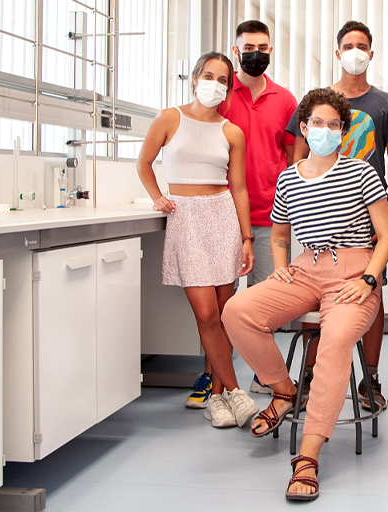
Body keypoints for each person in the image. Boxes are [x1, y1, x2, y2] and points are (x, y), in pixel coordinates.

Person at [222, 88, 388, 501]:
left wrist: (370, 279)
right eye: (317, 123)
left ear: (342, 131)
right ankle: (284, 391)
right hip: (305, 268)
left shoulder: (361, 173)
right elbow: (280, 234)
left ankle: (308, 455)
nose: (325, 130)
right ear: (303, 127)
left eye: (334, 124)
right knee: (237, 311)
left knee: (334, 342)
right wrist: (281, 266)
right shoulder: (289, 177)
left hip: (353, 270)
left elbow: (386, 234)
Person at [285, 20, 388, 410]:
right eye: (348, 46)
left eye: (362, 46)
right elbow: (297, 156)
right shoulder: (316, 99)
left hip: (367, 215)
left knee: (373, 289)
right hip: (318, 212)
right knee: (314, 288)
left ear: (371, 54)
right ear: (337, 53)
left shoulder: (384, 103)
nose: (355, 52)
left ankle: (368, 378)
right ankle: (309, 372)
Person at [136, 52, 259, 428]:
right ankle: (236, 392)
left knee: (226, 315)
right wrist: (157, 195)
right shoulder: (169, 118)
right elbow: (143, 162)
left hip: (221, 216)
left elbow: (238, 187)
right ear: (194, 78)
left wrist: (247, 238)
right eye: (209, 76)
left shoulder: (231, 132)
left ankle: (218, 398)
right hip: (185, 218)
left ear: (228, 88)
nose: (215, 84)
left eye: (223, 80)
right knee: (206, 313)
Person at [217, 20, 299, 395]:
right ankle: (217, 379)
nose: (257, 53)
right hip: (220, 213)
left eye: (264, 48)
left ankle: (263, 374)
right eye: (249, 47)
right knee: (218, 307)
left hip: (269, 215)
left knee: (266, 305)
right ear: (236, 51)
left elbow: (292, 155)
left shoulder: (285, 100)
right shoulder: (220, 95)